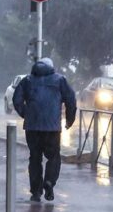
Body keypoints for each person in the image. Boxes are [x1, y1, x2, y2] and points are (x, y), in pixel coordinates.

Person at [12, 58, 76, 202]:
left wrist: (26, 114)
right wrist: (70, 119)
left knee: (34, 158)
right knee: (53, 157)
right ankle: (49, 181)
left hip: (32, 127)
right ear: (51, 67)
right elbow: (71, 100)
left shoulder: (27, 81)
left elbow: (17, 100)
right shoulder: (60, 80)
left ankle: (36, 191)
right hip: (52, 128)